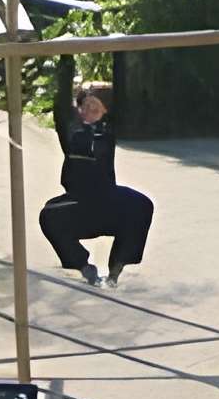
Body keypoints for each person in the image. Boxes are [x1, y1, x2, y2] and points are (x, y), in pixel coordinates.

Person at [36, 60, 154, 289]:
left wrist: (118, 52)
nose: (89, 112)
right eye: (86, 107)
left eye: (96, 108)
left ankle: (116, 270)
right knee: (48, 216)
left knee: (142, 206)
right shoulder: (71, 130)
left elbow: (122, 99)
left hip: (108, 201)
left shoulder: (108, 130)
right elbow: (61, 103)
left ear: (105, 112)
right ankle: (84, 267)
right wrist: (66, 59)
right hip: (79, 204)